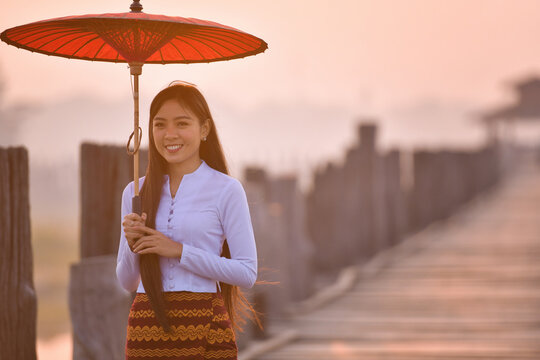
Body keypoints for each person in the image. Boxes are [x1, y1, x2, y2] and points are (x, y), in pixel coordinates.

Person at [116, 81, 259, 360]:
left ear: (204, 129)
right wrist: (133, 246)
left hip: (205, 323)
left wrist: (179, 251)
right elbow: (127, 281)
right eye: (160, 125)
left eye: (182, 123)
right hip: (147, 328)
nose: (170, 134)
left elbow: (247, 272)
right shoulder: (135, 192)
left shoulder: (226, 189)